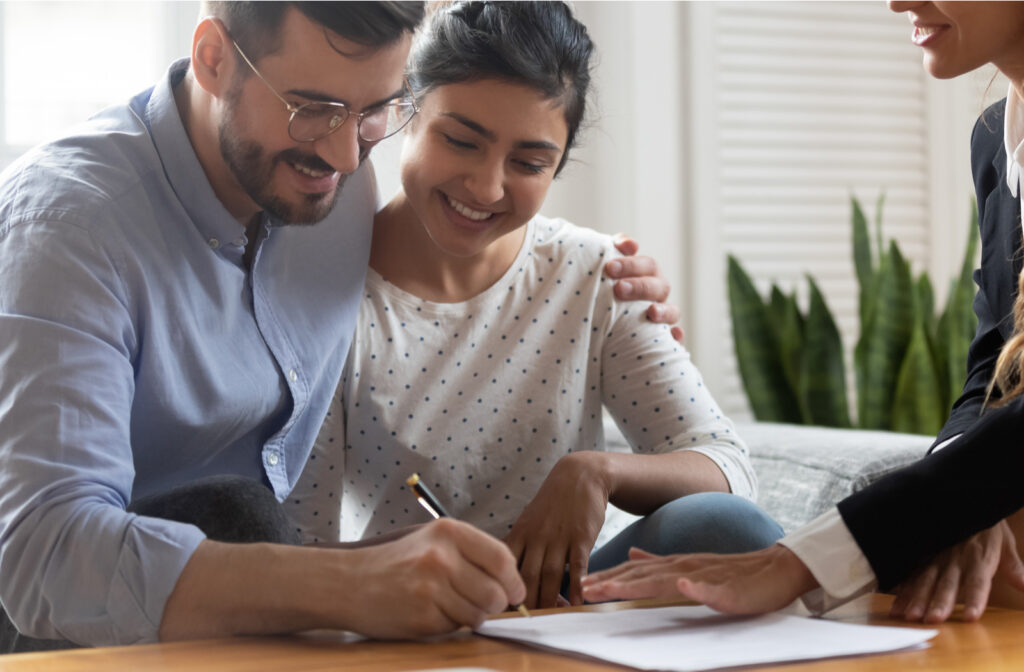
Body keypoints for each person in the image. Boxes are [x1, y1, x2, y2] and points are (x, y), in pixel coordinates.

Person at [0, 1, 679, 652]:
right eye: (313, 109)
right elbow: (44, 556)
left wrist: (597, 271)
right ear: (212, 58)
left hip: (265, 597)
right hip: (58, 620)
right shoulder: (70, 225)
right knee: (239, 516)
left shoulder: (328, 178)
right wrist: (344, 584)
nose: (349, 157)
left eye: (377, 110)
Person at [286, 0, 783, 611]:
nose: (486, 187)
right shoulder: (325, 298)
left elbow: (728, 469)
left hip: (567, 607)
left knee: (732, 531)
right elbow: (298, 545)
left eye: (528, 163)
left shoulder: (598, 276)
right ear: (403, 113)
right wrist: (401, 566)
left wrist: (597, 472)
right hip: (402, 608)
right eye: (461, 141)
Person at [582, 0, 1024, 625]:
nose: (897, 3)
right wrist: (964, 503)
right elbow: (992, 375)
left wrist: (797, 562)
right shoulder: (993, 138)